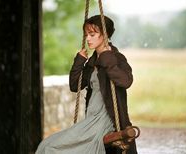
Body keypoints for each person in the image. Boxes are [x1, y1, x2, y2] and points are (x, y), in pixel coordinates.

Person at [35, 15, 137, 154]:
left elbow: (126, 81)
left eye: (92, 34)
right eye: (86, 34)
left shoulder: (116, 58)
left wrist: (106, 58)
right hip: (90, 120)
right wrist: (79, 61)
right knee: (45, 145)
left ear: (105, 35)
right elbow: (74, 85)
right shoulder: (92, 62)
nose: (88, 38)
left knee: (51, 149)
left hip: (105, 120)